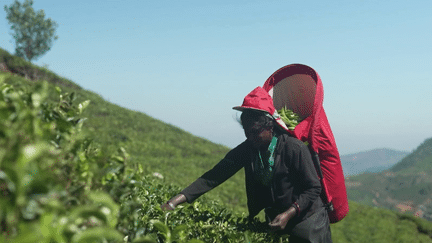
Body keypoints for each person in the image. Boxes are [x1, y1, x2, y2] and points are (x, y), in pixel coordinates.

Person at [160, 87, 332, 242]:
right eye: (246, 133)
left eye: (255, 132)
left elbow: (313, 188)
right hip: (278, 221)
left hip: (309, 223)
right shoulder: (249, 148)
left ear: (270, 126)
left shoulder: (293, 148)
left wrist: (289, 213)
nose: (250, 137)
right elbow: (215, 175)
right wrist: (174, 202)